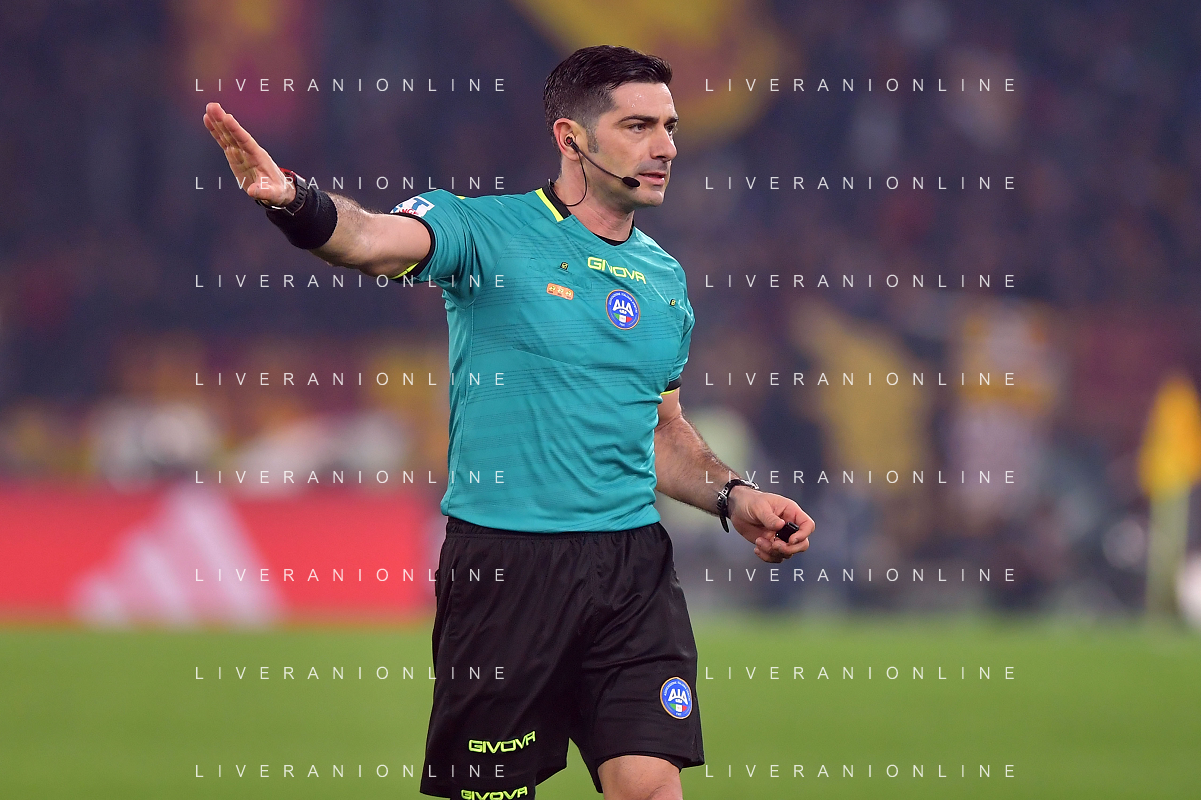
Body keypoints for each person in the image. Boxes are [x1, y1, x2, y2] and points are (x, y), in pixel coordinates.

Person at [203, 44, 814, 800]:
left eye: (670, 127)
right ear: (571, 139)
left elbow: (659, 430)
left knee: (651, 786)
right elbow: (367, 242)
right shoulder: (483, 231)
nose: (665, 147)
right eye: (638, 126)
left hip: (630, 570)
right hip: (506, 569)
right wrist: (294, 201)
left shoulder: (663, 279)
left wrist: (734, 498)